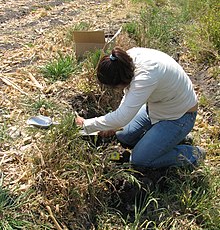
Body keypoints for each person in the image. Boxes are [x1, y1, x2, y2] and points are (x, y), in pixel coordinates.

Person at [75, 47, 206, 169]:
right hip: (157, 108)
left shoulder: (145, 77)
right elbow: (126, 101)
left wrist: (86, 125)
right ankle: (171, 139)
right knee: (123, 135)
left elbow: (121, 118)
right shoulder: (125, 61)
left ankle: (193, 154)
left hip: (180, 116)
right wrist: (111, 125)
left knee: (139, 160)